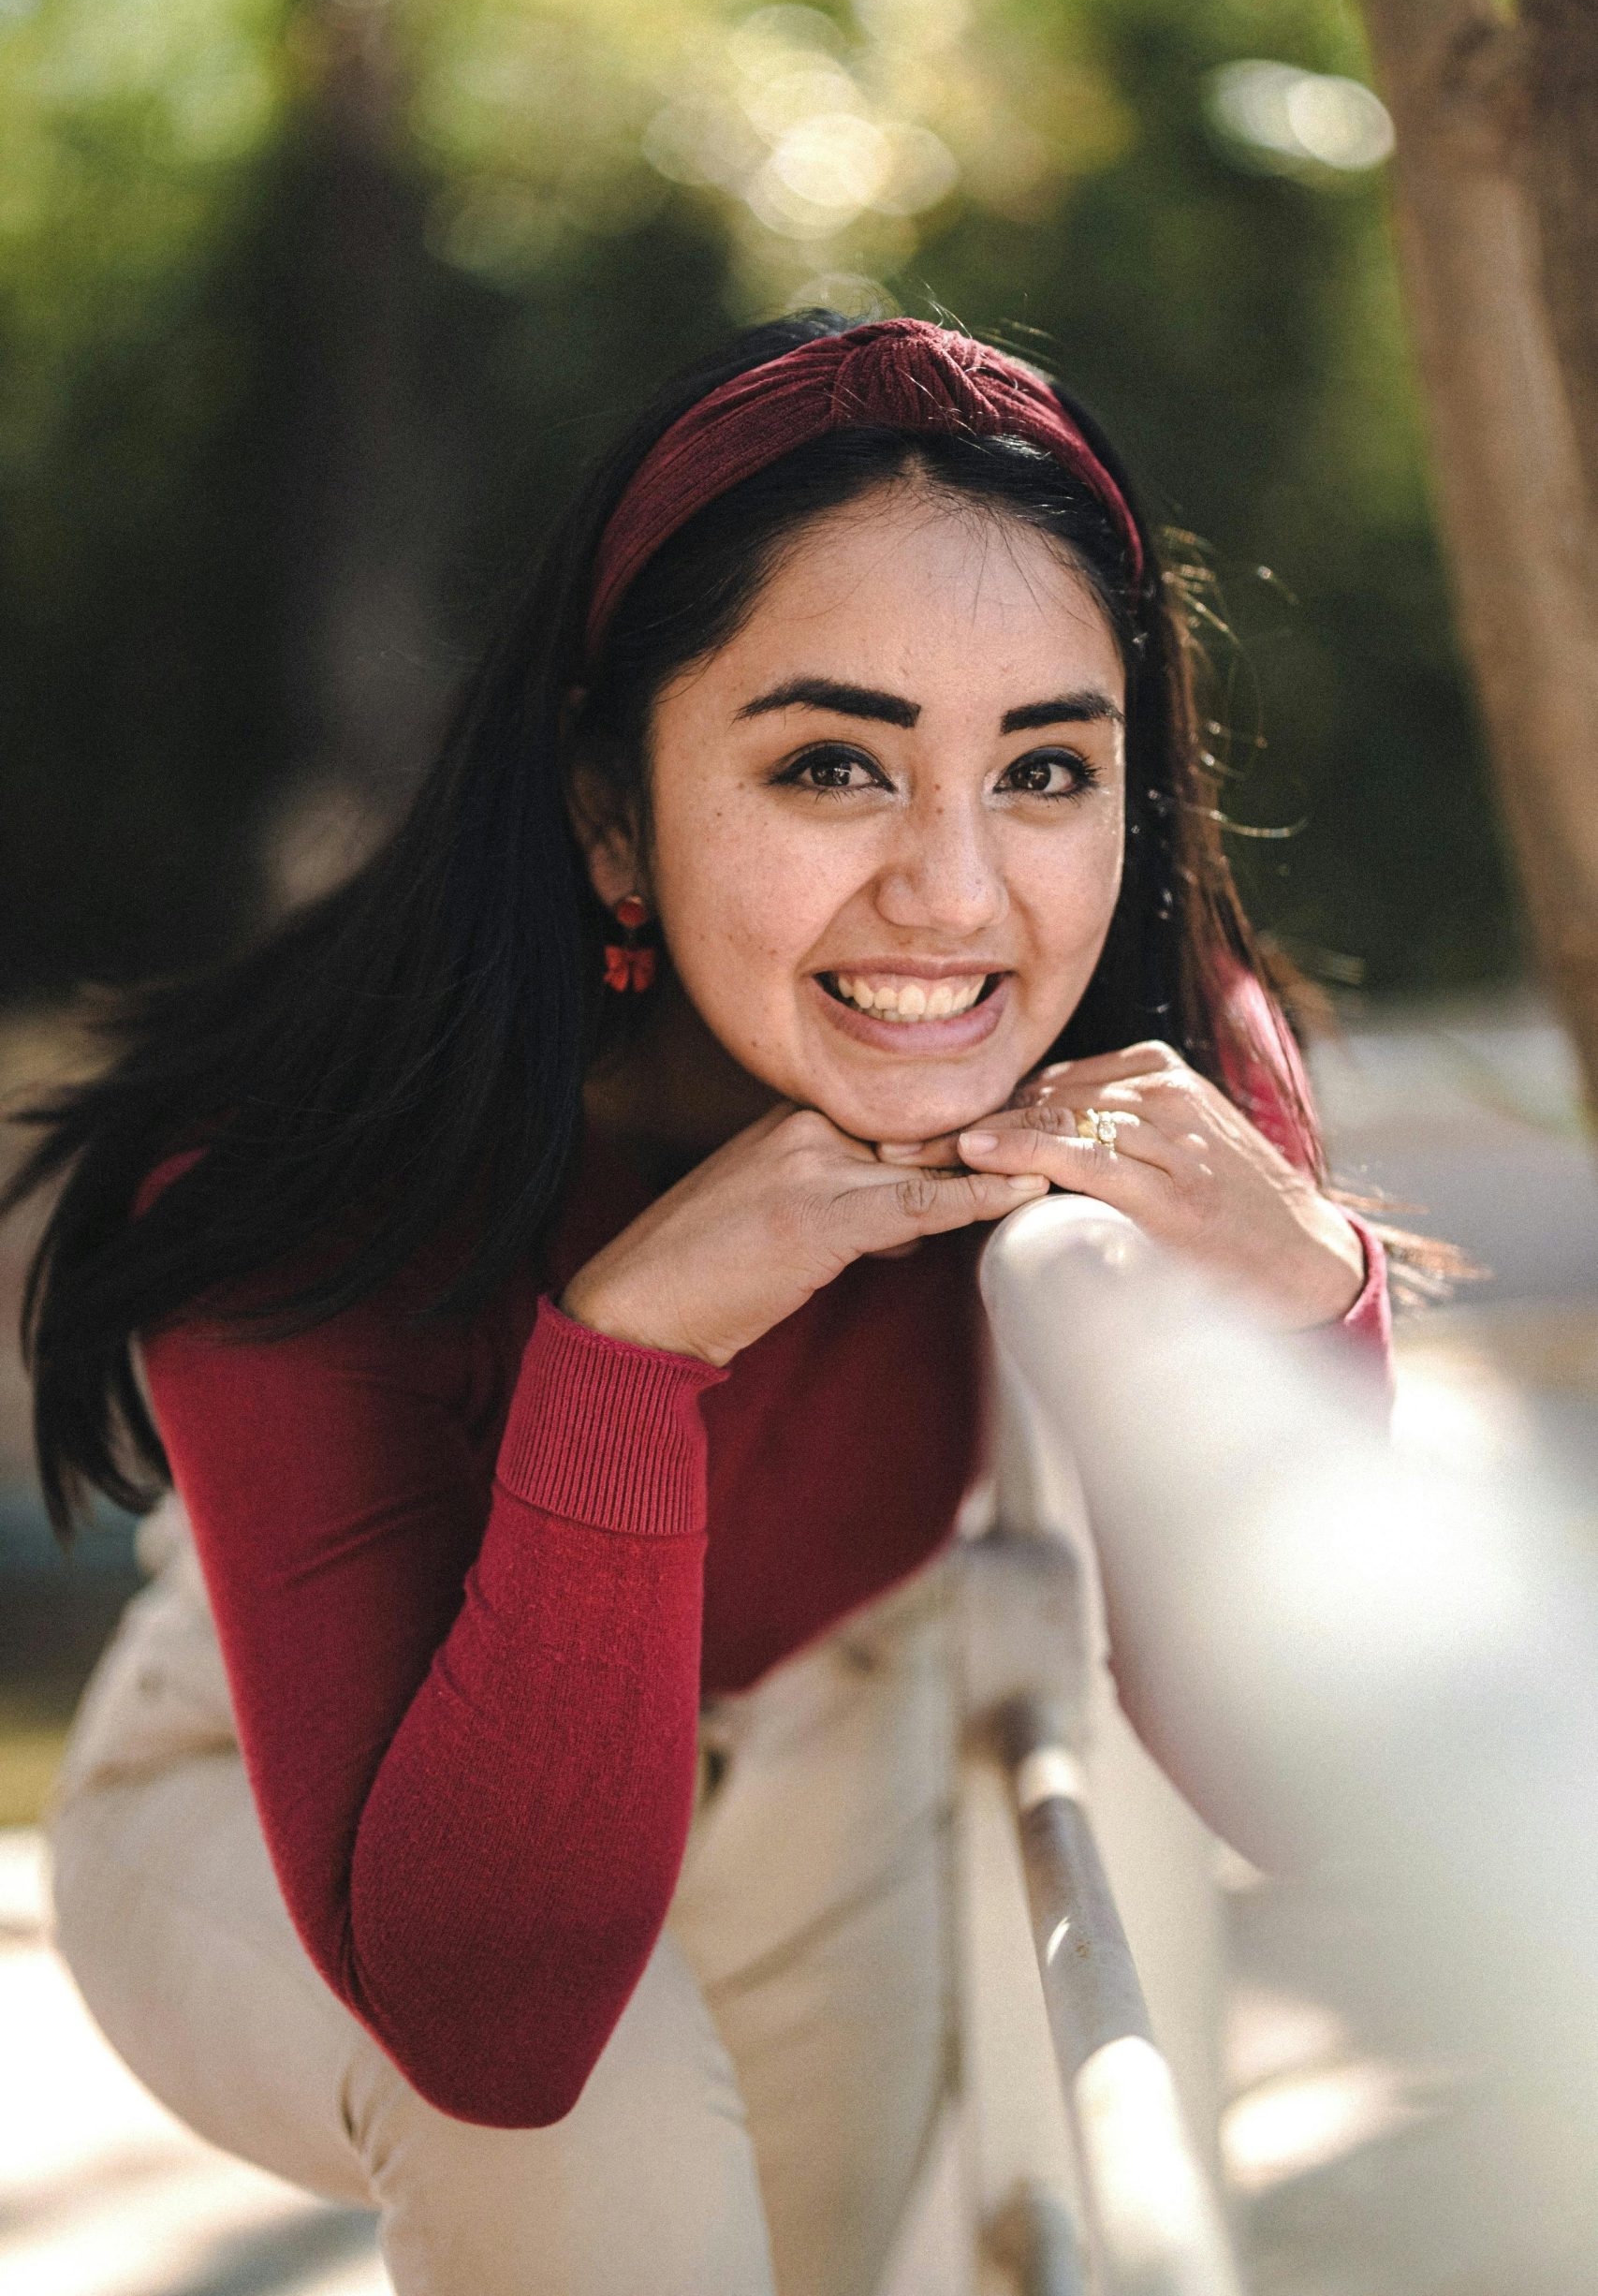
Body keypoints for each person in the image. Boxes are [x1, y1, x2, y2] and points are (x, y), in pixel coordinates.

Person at [8, 313, 1391, 2296]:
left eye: (1045, 767)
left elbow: (1295, 1789)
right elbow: (493, 2022)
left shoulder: (1157, 1064)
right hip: (301, 1765)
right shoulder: (297, 1156)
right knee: (596, 2128)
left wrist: (1306, 1315)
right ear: (604, 809)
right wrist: (626, 1355)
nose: (955, 891)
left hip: (824, 1740)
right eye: (832, 761)